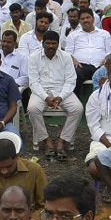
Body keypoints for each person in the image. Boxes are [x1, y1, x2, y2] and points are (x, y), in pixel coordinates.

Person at [26, 31, 82, 161]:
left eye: (54, 43)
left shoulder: (66, 56)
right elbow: (33, 82)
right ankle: (47, 141)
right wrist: (46, 97)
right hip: (41, 92)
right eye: (48, 43)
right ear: (42, 43)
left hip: (62, 91)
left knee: (78, 109)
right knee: (33, 108)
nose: (51, 46)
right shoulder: (34, 57)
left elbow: (70, 80)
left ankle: (62, 141)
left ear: (58, 44)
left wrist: (60, 97)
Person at [64, 8, 111, 84]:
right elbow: (67, 53)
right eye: (82, 18)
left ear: (93, 19)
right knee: (74, 74)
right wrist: (73, 60)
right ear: (79, 21)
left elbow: (110, 52)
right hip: (81, 67)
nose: (85, 20)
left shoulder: (104, 34)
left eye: (88, 17)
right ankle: (76, 96)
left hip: (101, 66)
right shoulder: (73, 35)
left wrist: (105, 61)